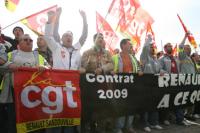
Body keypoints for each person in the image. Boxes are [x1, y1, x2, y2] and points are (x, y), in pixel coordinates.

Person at [44, 7, 88, 133]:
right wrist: (52, 19)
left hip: (72, 88)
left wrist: (84, 19)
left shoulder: (77, 49)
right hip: (57, 86)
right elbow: (48, 36)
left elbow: (84, 36)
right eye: (66, 35)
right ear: (61, 39)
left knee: (69, 114)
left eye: (70, 36)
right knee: (55, 114)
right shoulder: (57, 47)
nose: (68, 37)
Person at [0, 34, 48, 133]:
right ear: (19, 43)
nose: (28, 41)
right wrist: (9, 65)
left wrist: (45, 67)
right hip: (13, 95)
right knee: (13, 122)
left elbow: (49, 68)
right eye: (25, 39)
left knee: (34, 123)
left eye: (30, 40)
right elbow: (1, 67)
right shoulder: (11, 54)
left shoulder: (38, 56)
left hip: (34, 96)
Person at [81, 33, 114, 133]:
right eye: (99, 37)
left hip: (104, 87)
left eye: (102, 37)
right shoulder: (87, 52)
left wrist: (103, 68)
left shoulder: (107, 53)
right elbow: (83, 67)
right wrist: (88, 62)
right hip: (91, 87)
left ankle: (101, 129)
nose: (101, 39)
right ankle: (89, 127)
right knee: (90, 109)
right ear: (94, 40)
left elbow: (112, 64)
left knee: (103, 109)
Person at [112, 38, 140, 133]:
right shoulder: (115, 57)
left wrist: (139, 71)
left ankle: (128, 126)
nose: (131, 46)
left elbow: (138, 68)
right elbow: (110, 69)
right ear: (123, 45)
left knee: (131, 106)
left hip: (131, 86)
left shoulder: (132, 57)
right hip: (120, 86)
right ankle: (118, 128)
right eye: (129, 44)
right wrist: (112, 72)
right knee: (121, 107)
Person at [140, 35, 163, 132]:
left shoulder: (155, 59)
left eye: (153, 47)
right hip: (145, 85)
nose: (152, 48)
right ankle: (145, 124)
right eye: (151, 47)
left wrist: (162, 72)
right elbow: (144, 48)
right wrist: (148, 39)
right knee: (145, 105)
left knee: (154, 104)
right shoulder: (144, 57)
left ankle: (154, 123)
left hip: (155, 85)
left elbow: (160, 69)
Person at [158, 43, 180, 126]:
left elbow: (178, 69)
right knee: (166, 101)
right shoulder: (161, 58)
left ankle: (173, 117)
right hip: (167, 82)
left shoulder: (175, 58)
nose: (170, 47)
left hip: (176, 82)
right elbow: (159, 69)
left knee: (174, 100)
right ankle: (164, 118)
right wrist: (168, 74)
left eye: (171, 46)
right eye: (168, 46)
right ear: (165, 48)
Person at [178, 32, 196, 122]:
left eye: (189, 48)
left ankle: (189, 114)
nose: (188, 50)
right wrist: (185, 36)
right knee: (184, 99)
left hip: (192, 82)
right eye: (187, 48)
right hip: (185, 82)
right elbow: (180, 46)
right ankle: (182, 116)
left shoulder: (190, 59)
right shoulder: (182, 57)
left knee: (191, 99)